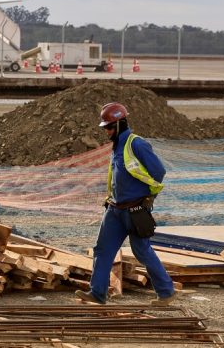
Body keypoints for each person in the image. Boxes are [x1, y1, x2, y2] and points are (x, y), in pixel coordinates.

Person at [75, 102, 178, 306]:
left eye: (109, 127)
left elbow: (159, 172)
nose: (107, 132)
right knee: (102, 250)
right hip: (114, 209)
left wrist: (147, 196)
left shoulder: (136, 144)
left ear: (120, 124)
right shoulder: (116, 146)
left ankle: (166, 292)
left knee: (142, 251)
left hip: (135, 210)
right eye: (106, 128)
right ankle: (97, 294)